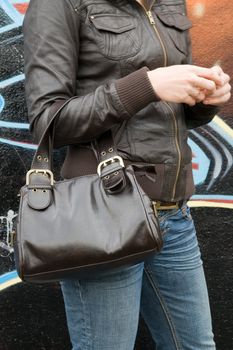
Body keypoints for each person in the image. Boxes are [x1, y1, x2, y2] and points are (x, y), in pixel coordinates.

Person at [22, 0, 231, 349]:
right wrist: (146, 86)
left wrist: (203, 102)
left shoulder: (168, 2)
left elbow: (169, 111)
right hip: (105, 218)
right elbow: (49, 122)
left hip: (173, 213)